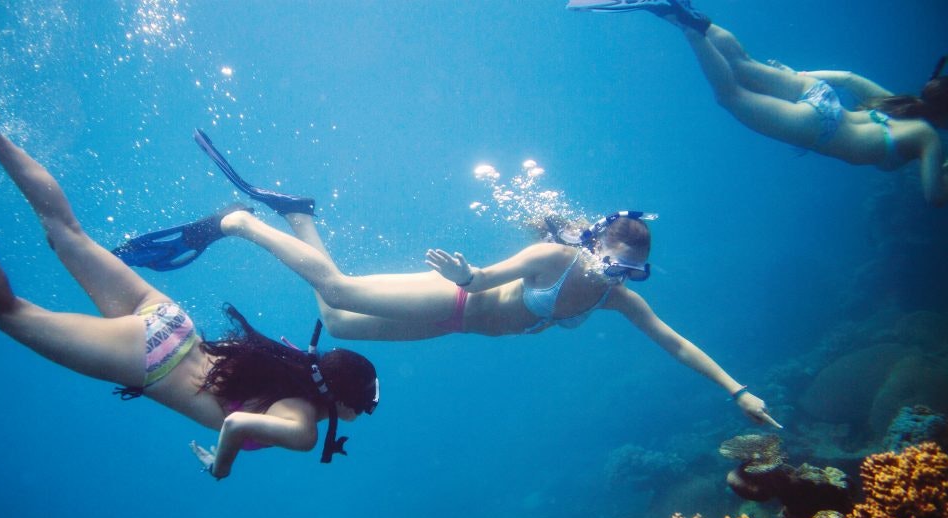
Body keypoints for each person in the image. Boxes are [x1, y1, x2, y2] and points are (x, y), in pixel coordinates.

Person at [115, 129, 781, 429]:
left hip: (457, 325)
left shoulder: (618, 299)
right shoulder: (555, 258)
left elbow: (677, 343)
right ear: (593, 244)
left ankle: (296, 213)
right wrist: (472, 272)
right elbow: (498, 273)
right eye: (610, 260)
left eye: (629, 271)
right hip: (456, 296)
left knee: (339, 319)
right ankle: (243, 223)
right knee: (341, 293)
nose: (614, 275)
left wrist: (737, 390)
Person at [0, 82, 379, 480]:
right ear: (346, 403)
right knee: (7, 312)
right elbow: (235, 426)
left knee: (67, 231)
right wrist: (219, 467)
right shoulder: (303, 430)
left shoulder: (293, 372)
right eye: (365, 407)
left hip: (173, 322)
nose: (360, 415)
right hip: (153, 358)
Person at [566, 1, 948, 206]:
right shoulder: (926, 136)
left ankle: (676, 11)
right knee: (731, 96)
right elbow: (934, 197)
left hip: (818, 92)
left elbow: (846, 79)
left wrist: (798, 76)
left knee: (745, 65)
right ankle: (688, 27)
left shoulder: (898, 104)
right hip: (820, 128)